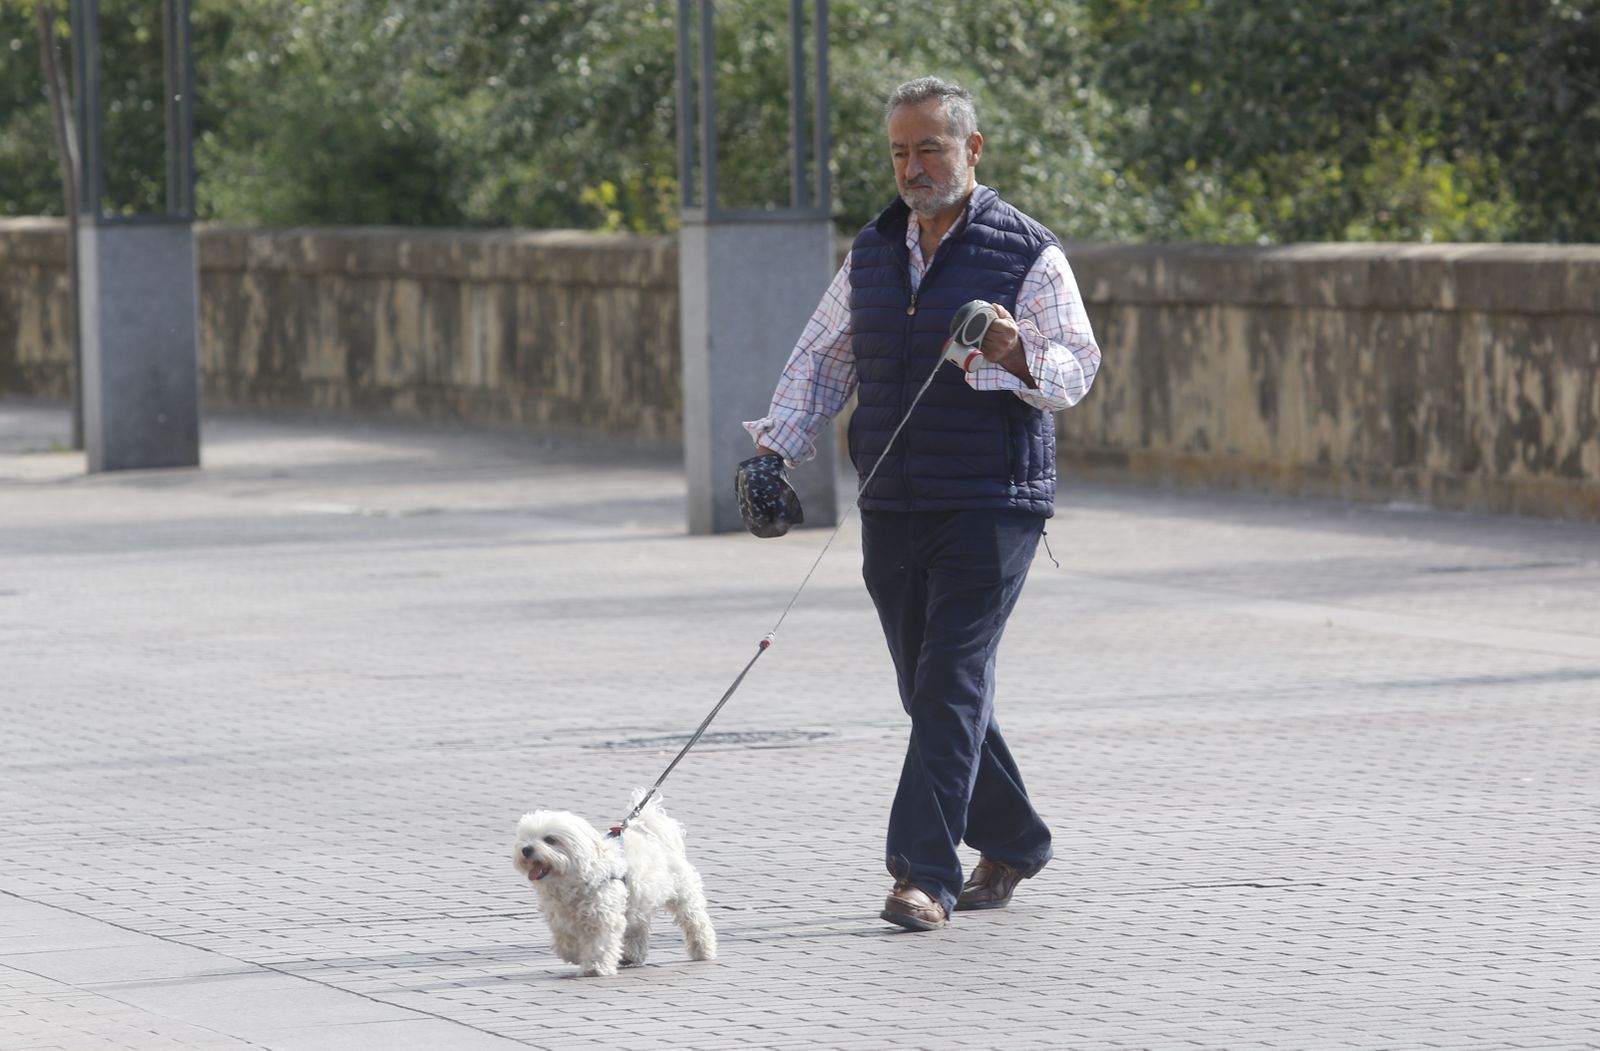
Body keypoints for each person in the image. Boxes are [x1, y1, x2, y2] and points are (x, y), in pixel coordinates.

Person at [737, 76, 1102, 931]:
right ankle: (1014, 836)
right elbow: (823, 358)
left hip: (992, 503)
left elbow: (1076, 372)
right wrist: (771, 450)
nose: (913, 166)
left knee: (949, 680)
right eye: (901, 151)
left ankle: (922, 876)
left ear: (972, 151)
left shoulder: (1029, 252)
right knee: (929, 687)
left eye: (931, 147)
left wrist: (1015, 348)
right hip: (894, 503)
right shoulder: (871, 251)